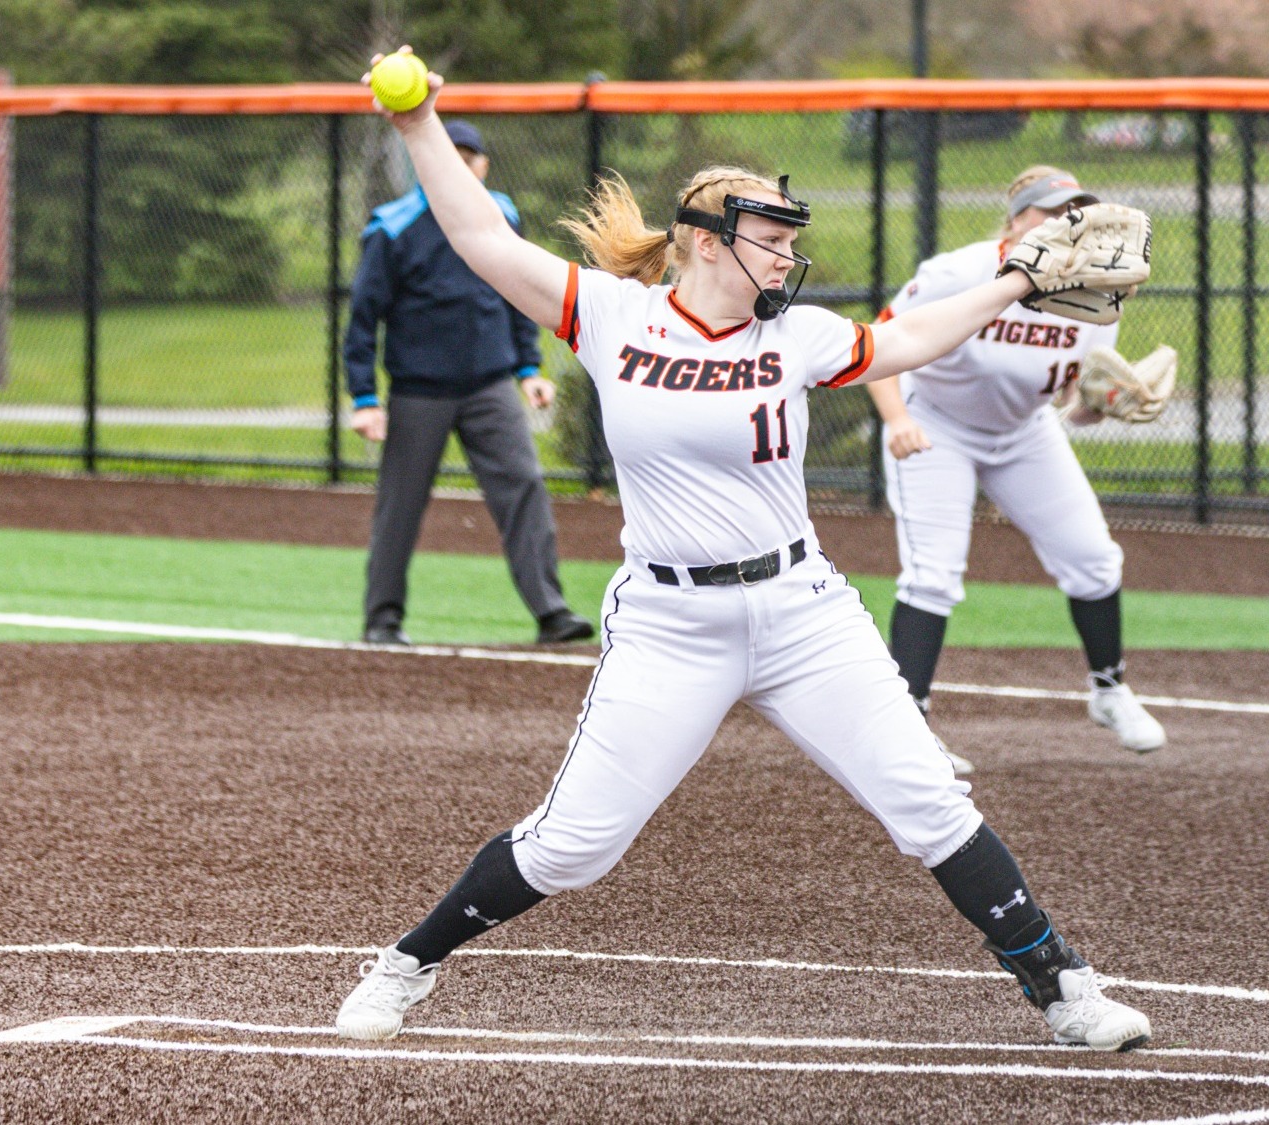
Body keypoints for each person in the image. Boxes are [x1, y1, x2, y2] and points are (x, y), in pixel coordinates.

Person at [335, 51, 1154, 1053]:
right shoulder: (609, 314)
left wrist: (1017, 279)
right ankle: (405, 965)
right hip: (671, 624)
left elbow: (908, 338)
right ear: (703, 242)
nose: (782, 256)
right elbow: (471, 231)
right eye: (767, 237)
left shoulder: (797, 336)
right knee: (574, 846)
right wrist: (418, 119)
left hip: (802, 612)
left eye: (783, 240)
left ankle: (1063, 990)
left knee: (926, 803)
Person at [870, 166, 1169, 770]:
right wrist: (898, 418)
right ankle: (909, 729)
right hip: (937, 425)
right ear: (1016, 221)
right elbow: (882, 342)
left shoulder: (1095, 290)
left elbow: (1062, 396)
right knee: (933, 574)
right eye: (1052, 211)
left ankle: (1110, 691)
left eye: (1077, 211)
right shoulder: (959, 272)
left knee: (1093, 557)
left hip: (1024, 434)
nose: (1066, 222)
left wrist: (1095, 406)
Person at [345, 118, 594, 647]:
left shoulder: (500, 214)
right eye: (448, 154)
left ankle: (552, 612)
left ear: (483, 165)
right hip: (419, 391)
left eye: (468, 155)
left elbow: (520, 293)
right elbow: (364, 317)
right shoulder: (392, 225)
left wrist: (529, 369)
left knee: (523, 489)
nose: (459, 164)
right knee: (401, 504)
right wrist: (365, 397)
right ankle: (382, 620)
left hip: (490, 386)